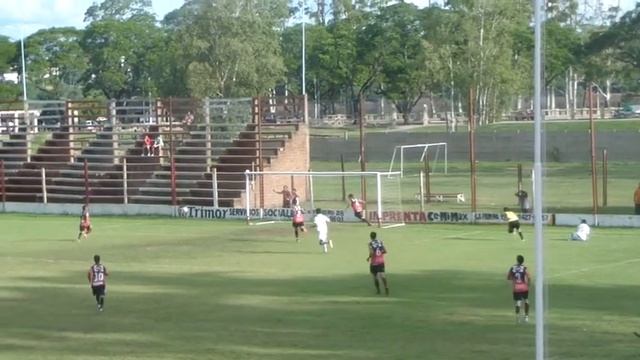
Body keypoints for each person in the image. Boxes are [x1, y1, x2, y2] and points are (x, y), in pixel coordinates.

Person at [507, 254, 531, 323]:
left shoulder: (512, 267)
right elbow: (529, 277)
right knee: (526, 300)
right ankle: (526, 317)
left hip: (516, 287)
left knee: (518, 302)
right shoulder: (524, 268)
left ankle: (518, 317)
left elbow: (508, 277)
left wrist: (514, 279)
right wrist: (528, 284)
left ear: (517, 260)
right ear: (523, 261)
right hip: (524, 287)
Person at [367, 231, 389, 296]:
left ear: (370, 237)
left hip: (374, 262)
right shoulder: (380, 242)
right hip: (381, 261)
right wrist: (380, 253)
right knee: (382, 275)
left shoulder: (370, 243)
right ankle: (386, 287)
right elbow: (385, 251)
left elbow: (371, 252)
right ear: (376, 236)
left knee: (375, 277)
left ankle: (378, 290)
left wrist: (369, 257)